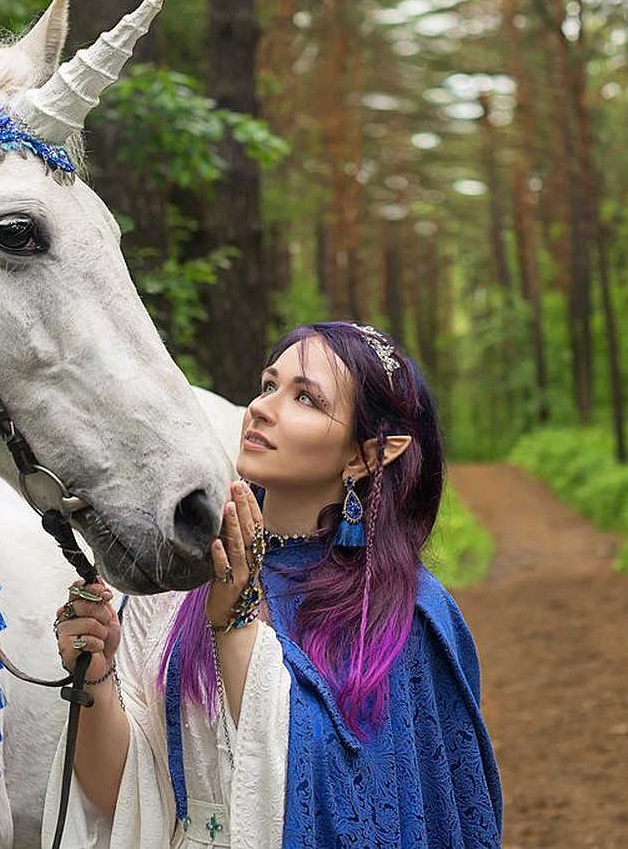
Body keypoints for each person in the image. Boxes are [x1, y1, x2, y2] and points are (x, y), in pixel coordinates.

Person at [43, 321, 502, 848]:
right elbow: (123, 794)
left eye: (305, 398)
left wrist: (236, 623)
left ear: (367, 455)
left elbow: (349, 807)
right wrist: (97, 677)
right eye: (268, 385)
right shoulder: (187, 578)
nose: (262, 408)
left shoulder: (401, 612)